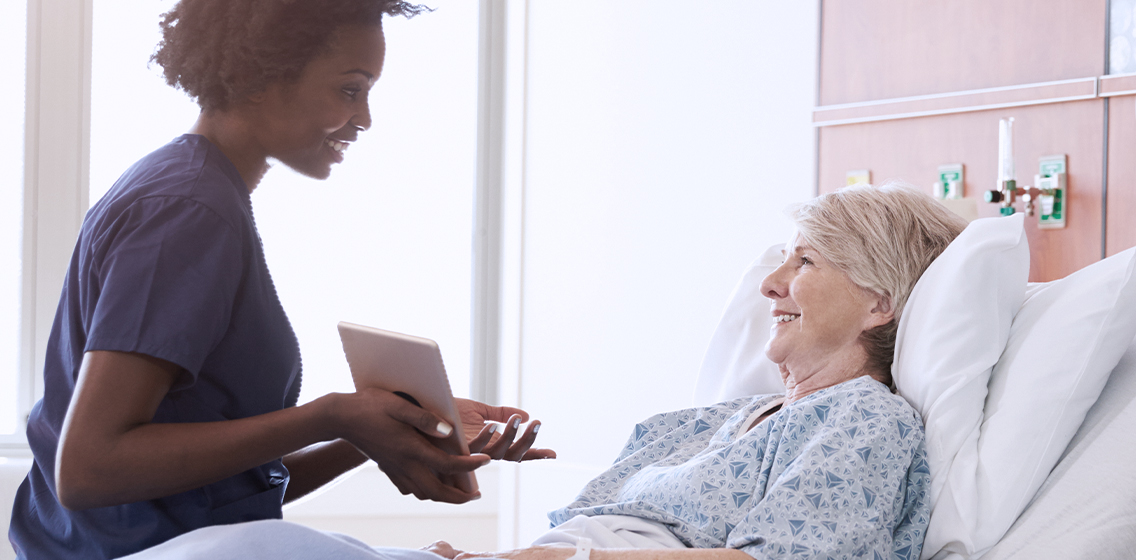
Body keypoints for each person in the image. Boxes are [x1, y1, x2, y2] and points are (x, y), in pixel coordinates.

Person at [124, 182, 966, 560]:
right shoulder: (705, 422)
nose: (771, 284)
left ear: (879, 302)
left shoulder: (863, 421)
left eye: (806, 262)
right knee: (247, 549)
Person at [9, 2, 552, 559]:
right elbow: (90, 469)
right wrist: (331, 412)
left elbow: (221, 491)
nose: (364, 118)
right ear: (257, 77)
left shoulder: (188, 189)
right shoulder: (187, 209)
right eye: (349, 90)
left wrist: (375, 429)